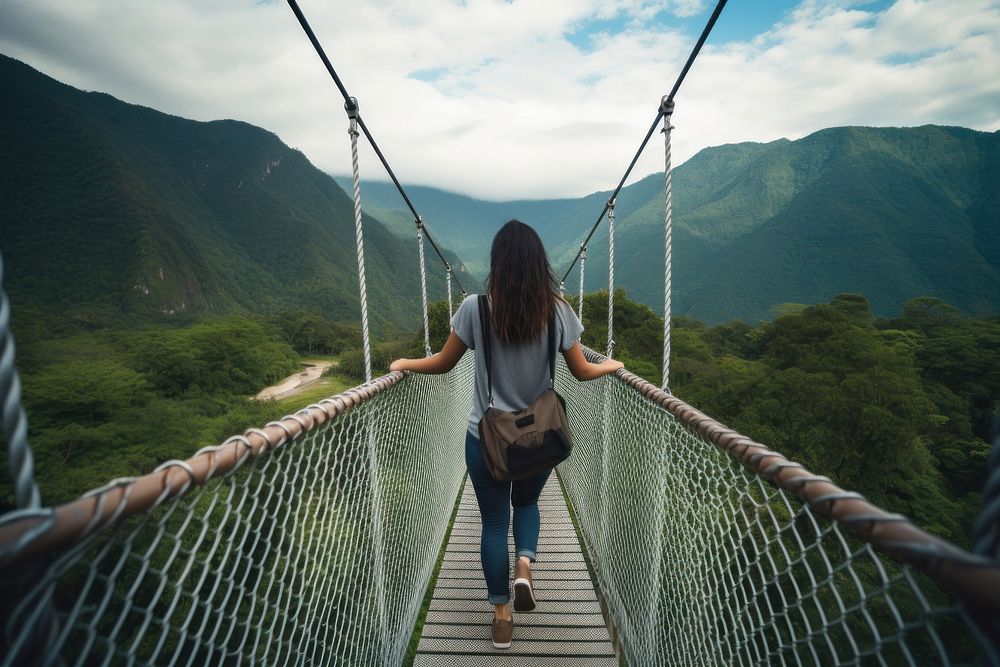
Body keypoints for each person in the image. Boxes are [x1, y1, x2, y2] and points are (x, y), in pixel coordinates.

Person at [389, 219, 622, 650]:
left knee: (494, 522)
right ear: (540, 265)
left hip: (487, 441)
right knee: (528, 502)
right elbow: (583, 372)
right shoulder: (557, 311)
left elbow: (442, 363)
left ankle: (500, 616)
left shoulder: (475, 309)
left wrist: (403, 363)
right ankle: (525, 566)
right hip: (541, 438)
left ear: (497, 264)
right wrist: (613, 365)